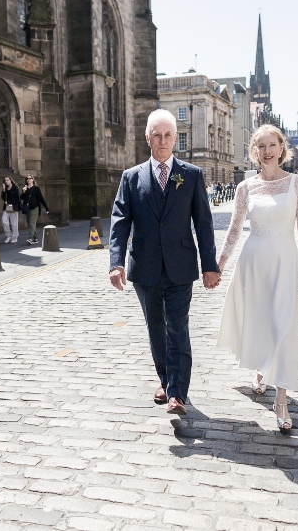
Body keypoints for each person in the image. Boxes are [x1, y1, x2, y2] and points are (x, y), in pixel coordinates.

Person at [108, 109, 220, 415]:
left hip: (181, 265)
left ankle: (177, 393)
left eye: (168, 135)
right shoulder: (131, 178)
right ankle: (166, 379)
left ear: (176, 138)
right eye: (156, 135)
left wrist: (210, 265)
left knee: (177, 328)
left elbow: (204, 224)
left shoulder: (192, 175)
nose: (162, 141)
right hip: (144, 268)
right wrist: (115, 262)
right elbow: (120, 222)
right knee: (155, 328)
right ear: (147, 138)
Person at [216, 124, 298, 433]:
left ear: (281, 147)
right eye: (260, 146)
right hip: (254, 263)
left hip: (284, 262)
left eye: (271, 144)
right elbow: (235, 229)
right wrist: (219, 264)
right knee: (262, 323)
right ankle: (262, 372)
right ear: (254, 152)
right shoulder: (245, 188)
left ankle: (281, 399)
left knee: (283, 326)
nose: (267, 150)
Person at [20, 176, 49, 245]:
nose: (28, 180)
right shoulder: (25, 188)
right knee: (30, 224)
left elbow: (41, 198)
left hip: (35, 208)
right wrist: (23, 192)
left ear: (33, 179)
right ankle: (36, 238)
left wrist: (46, 208)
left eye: (30, 178)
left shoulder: (36, 188)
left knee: (31, 223)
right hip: (27, 209)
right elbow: (21, 198)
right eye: (27, 178)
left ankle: (30, 238)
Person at [1, 176, 21, 243]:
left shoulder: (15, 187)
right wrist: (3, 190)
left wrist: (9, 202)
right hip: (6, 208)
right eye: (5, 180)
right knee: (4, 220)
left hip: (14, 207)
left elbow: (18, 198)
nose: (6, 181)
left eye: (7, 180)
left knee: (14, 223)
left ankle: (15, 237)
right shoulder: (5, 188)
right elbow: (3, 198)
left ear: (10, 180)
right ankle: (9, 235)